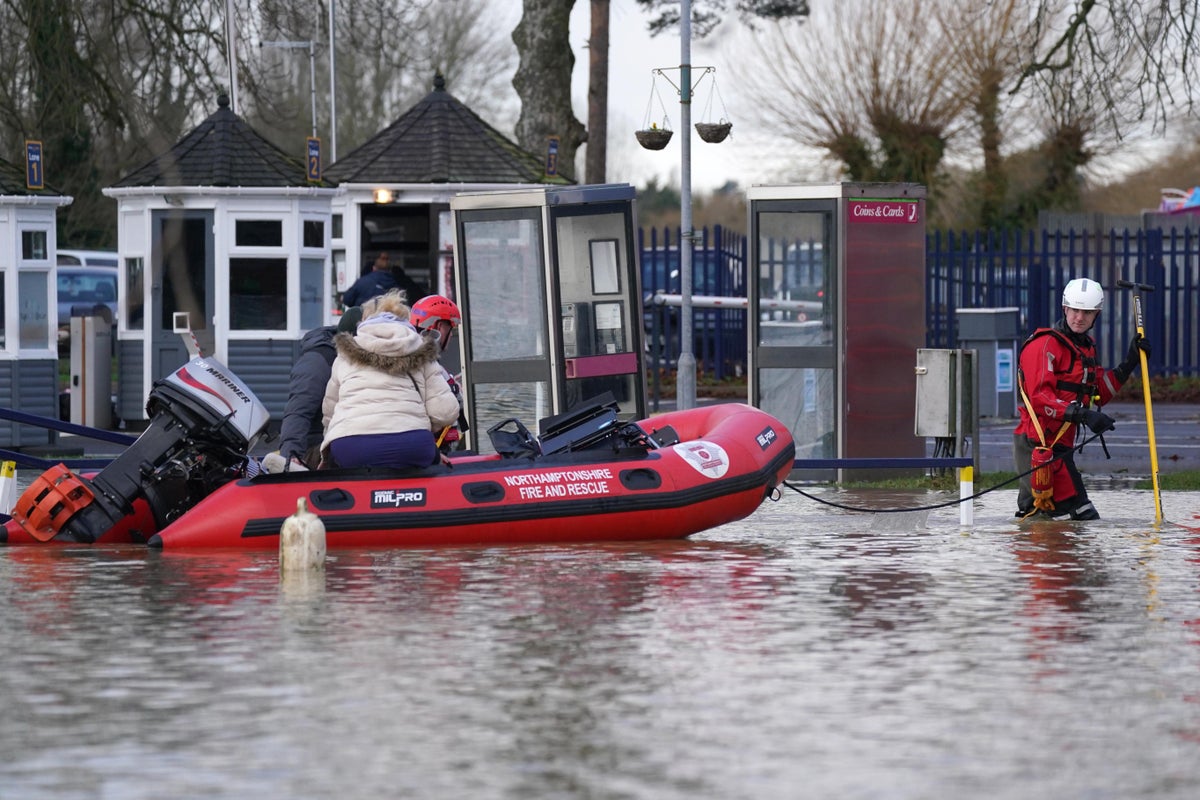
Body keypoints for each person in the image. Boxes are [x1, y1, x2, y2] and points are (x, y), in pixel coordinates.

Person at [1013, 277, 1150, 520]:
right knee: (1054, 514)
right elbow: (1040, 399)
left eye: (1087, 312)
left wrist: (1130, 362)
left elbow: (1099, 393)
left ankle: (1054, 554)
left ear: (1096, 315)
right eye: (1075, 310)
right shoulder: (1045, 345)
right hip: (1038, 444)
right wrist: (1083, 415)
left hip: (1060, 446)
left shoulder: (1085, 349)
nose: (1079, 317)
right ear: (1065, 308)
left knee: (1060, 519)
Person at [320, 290, 460, 470]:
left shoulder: (344, 356)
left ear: (364, 321)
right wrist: (418, 424)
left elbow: (329, 414)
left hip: (351, 447)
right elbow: (445, 412)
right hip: (412, 445)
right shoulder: (422, 351)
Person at [263, 305, 366, 473]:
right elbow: (298, 411)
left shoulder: (353, 361)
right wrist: (291, 456)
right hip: (315, 447)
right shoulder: (318, 362)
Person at [410, 294, 469, 453]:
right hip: (430, 450)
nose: (451, 335)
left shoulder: (408, 355)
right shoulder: (427, 364)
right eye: (451, 328)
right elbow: (444, 414)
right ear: (440, 327)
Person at [341, 251, 427, 308]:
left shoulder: (362, 282)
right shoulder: (399, 287)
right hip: (390, 329)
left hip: (365, 327)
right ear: (390, 270)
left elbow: (347, 299)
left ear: (374, 268)